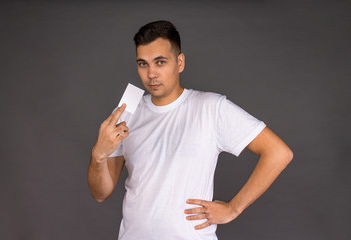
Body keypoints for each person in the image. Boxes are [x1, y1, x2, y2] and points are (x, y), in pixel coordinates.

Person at [87, 20, 293, 240]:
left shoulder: (210, 107)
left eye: (160, 62)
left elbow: (279, 152)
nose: (151, 74)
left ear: (180, 62)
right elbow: (101, 193)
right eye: (143, 64)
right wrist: (98, 156)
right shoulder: (128, 111)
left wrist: (233, 208)